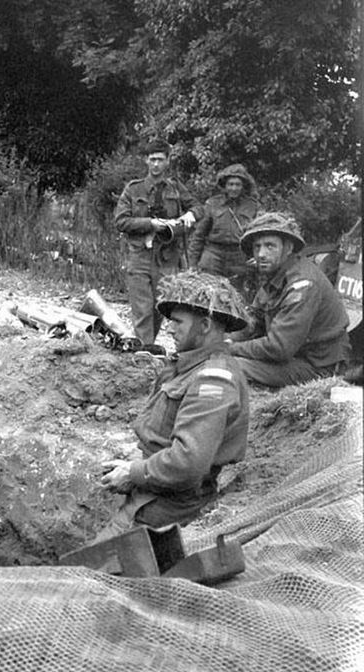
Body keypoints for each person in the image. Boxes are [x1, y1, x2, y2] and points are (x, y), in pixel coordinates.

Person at [97, 271, 250, 532]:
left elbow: (188, 463)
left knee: (90, 569)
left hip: (167, 507)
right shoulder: (187, 365)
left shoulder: (212, 382)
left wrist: (134, 473)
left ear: (204, 326)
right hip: (153, 490)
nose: (169, 328)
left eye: (178, 322)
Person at [227, 212, 351, 387]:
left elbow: (278, 347)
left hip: (318, 368)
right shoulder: (275, 276)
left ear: (289, 248)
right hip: (296, 358)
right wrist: (226, 339)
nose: (261, 254)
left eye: (270, 246)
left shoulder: (303, 284)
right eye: (257, 247)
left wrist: (229, 348)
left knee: (228, 366)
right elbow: (254, 320)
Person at [114, 138, 203, 351]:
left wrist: (190, 214)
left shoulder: (176, 188)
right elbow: (120, 221)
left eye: (160, 160)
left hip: (167, 258)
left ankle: (147, 348)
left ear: (167, 162)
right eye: (152, 159)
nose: (156, 164)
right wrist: (150, 223)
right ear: (146, 160)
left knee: (158, 307)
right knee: (142, 309)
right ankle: (145, 352)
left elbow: (199, 208)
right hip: (140, 256)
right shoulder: (133, 190)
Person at [187, 163, 262, 295]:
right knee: (206, 296)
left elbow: (259, 235)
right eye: (230, 184)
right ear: (225, 186)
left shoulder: (252, 206)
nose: (234, 188)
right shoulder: (212, 204)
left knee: (236, 298)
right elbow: (198, 235)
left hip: (239, 257)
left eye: (237, 184)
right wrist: (192, 264)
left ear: (243, 186)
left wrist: (256, 256)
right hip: (213, 256)